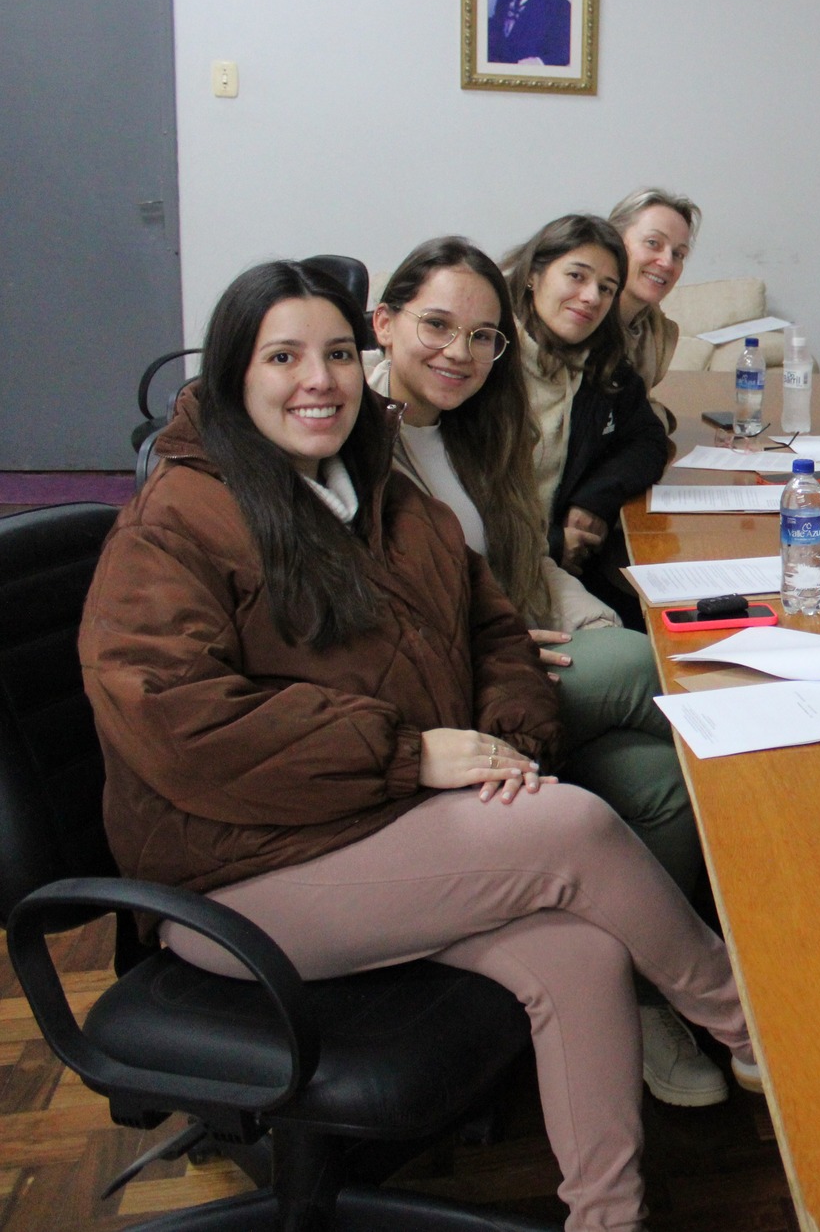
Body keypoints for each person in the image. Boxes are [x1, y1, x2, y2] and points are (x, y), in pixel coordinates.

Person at [80, 260, 756, 1232]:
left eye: (335, 354)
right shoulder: (178, 520)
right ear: (234, 374)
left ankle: (608, 1219)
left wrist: (505, 743)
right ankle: (749, 1026)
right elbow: (179, 725)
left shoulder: (376, 487)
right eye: (283, 357)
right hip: (235, 872)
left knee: (579, 953)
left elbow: (496, 631)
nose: (319, 380)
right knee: (572, 825)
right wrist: (408, 756)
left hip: (372, 826)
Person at [367, 237, 723, 1106]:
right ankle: (755, 935)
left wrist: (577, 620)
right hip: (450, 697)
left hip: (513, 657)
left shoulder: (471, 427)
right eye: (437, 327)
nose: (460, 352)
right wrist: (499, 643)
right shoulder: (359, 440)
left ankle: (641, 995)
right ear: (384, 324)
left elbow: (524, 559)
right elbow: (379, 619)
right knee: (648, 664)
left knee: (659, 779)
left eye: (481, 338)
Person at [504, 214, 669, 626]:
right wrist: (552, 541)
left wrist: (593, 498)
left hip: (554, 566)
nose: (591, 297)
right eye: (576, 276)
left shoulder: (600, 365)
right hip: (500, 567)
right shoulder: (486, 359)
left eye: (606, 288)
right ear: (533, 275)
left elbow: (648, 439)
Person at [608, 187, 702, 433]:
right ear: (614, 240)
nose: (667, 262)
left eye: (678, 254)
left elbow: (634, 408)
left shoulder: (654, 332)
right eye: (653, 243)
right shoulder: (580, 321)